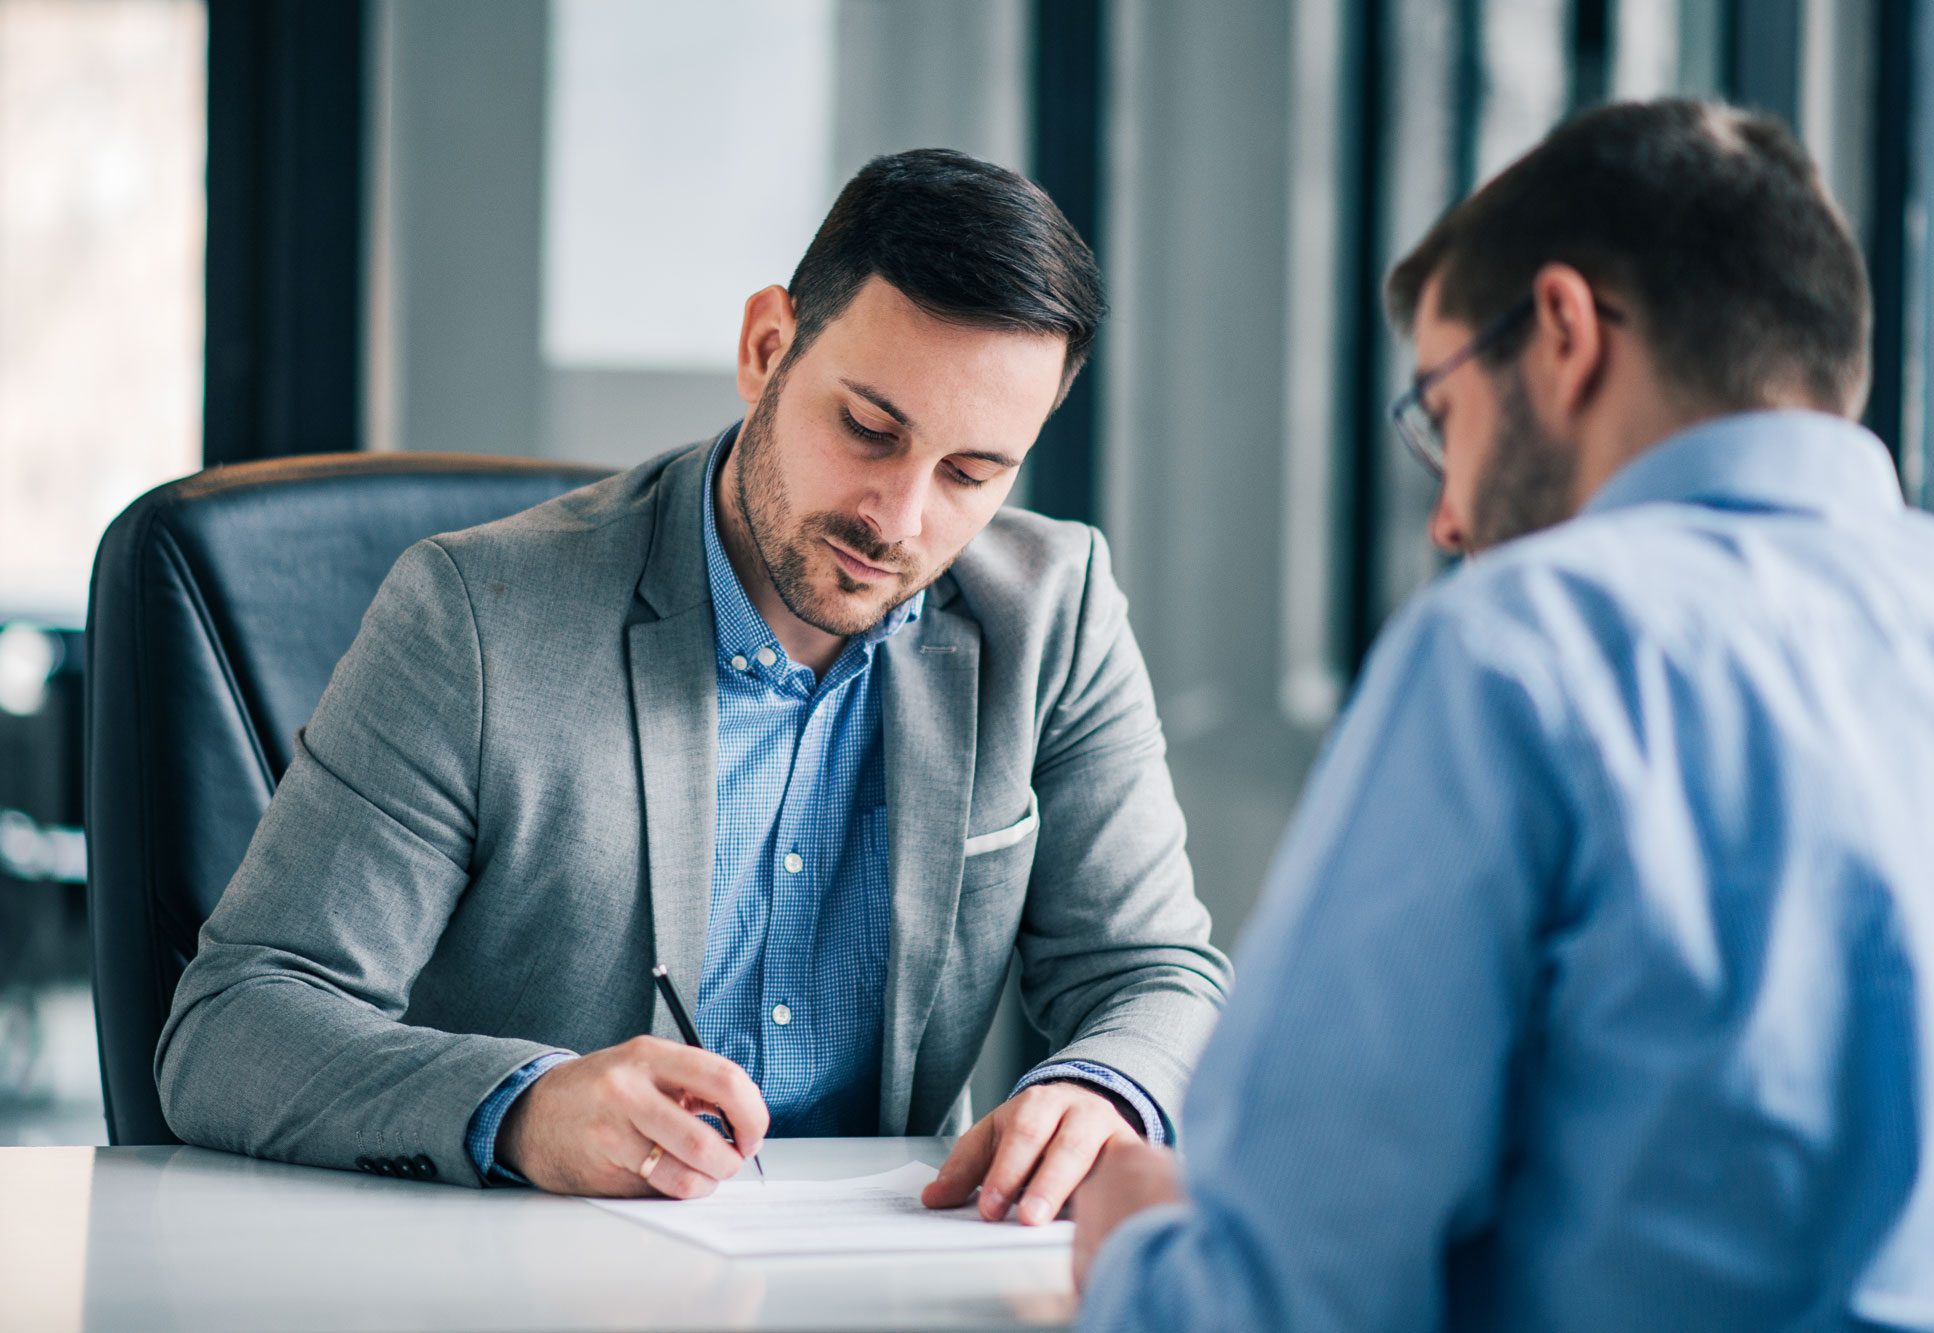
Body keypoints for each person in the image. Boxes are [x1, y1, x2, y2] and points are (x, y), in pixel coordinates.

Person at [157, 149, 1230, 1215]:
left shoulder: (1053, 613)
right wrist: (524, 1111)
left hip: (889, 1278)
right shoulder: (473, 618)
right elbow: (235, 1024)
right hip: (535, 1277)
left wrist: (1105, 1087)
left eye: (969, 473)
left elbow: (1154, 974)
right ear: (767, 347)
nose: (898, 521)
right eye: (867, 429)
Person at [1071, 99, 1934, 1329]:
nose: (1447, 516)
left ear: (1561, 331)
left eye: (1441, 413)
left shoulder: (1515, 647)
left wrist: (1138, 1240)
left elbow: (1287, 1302)